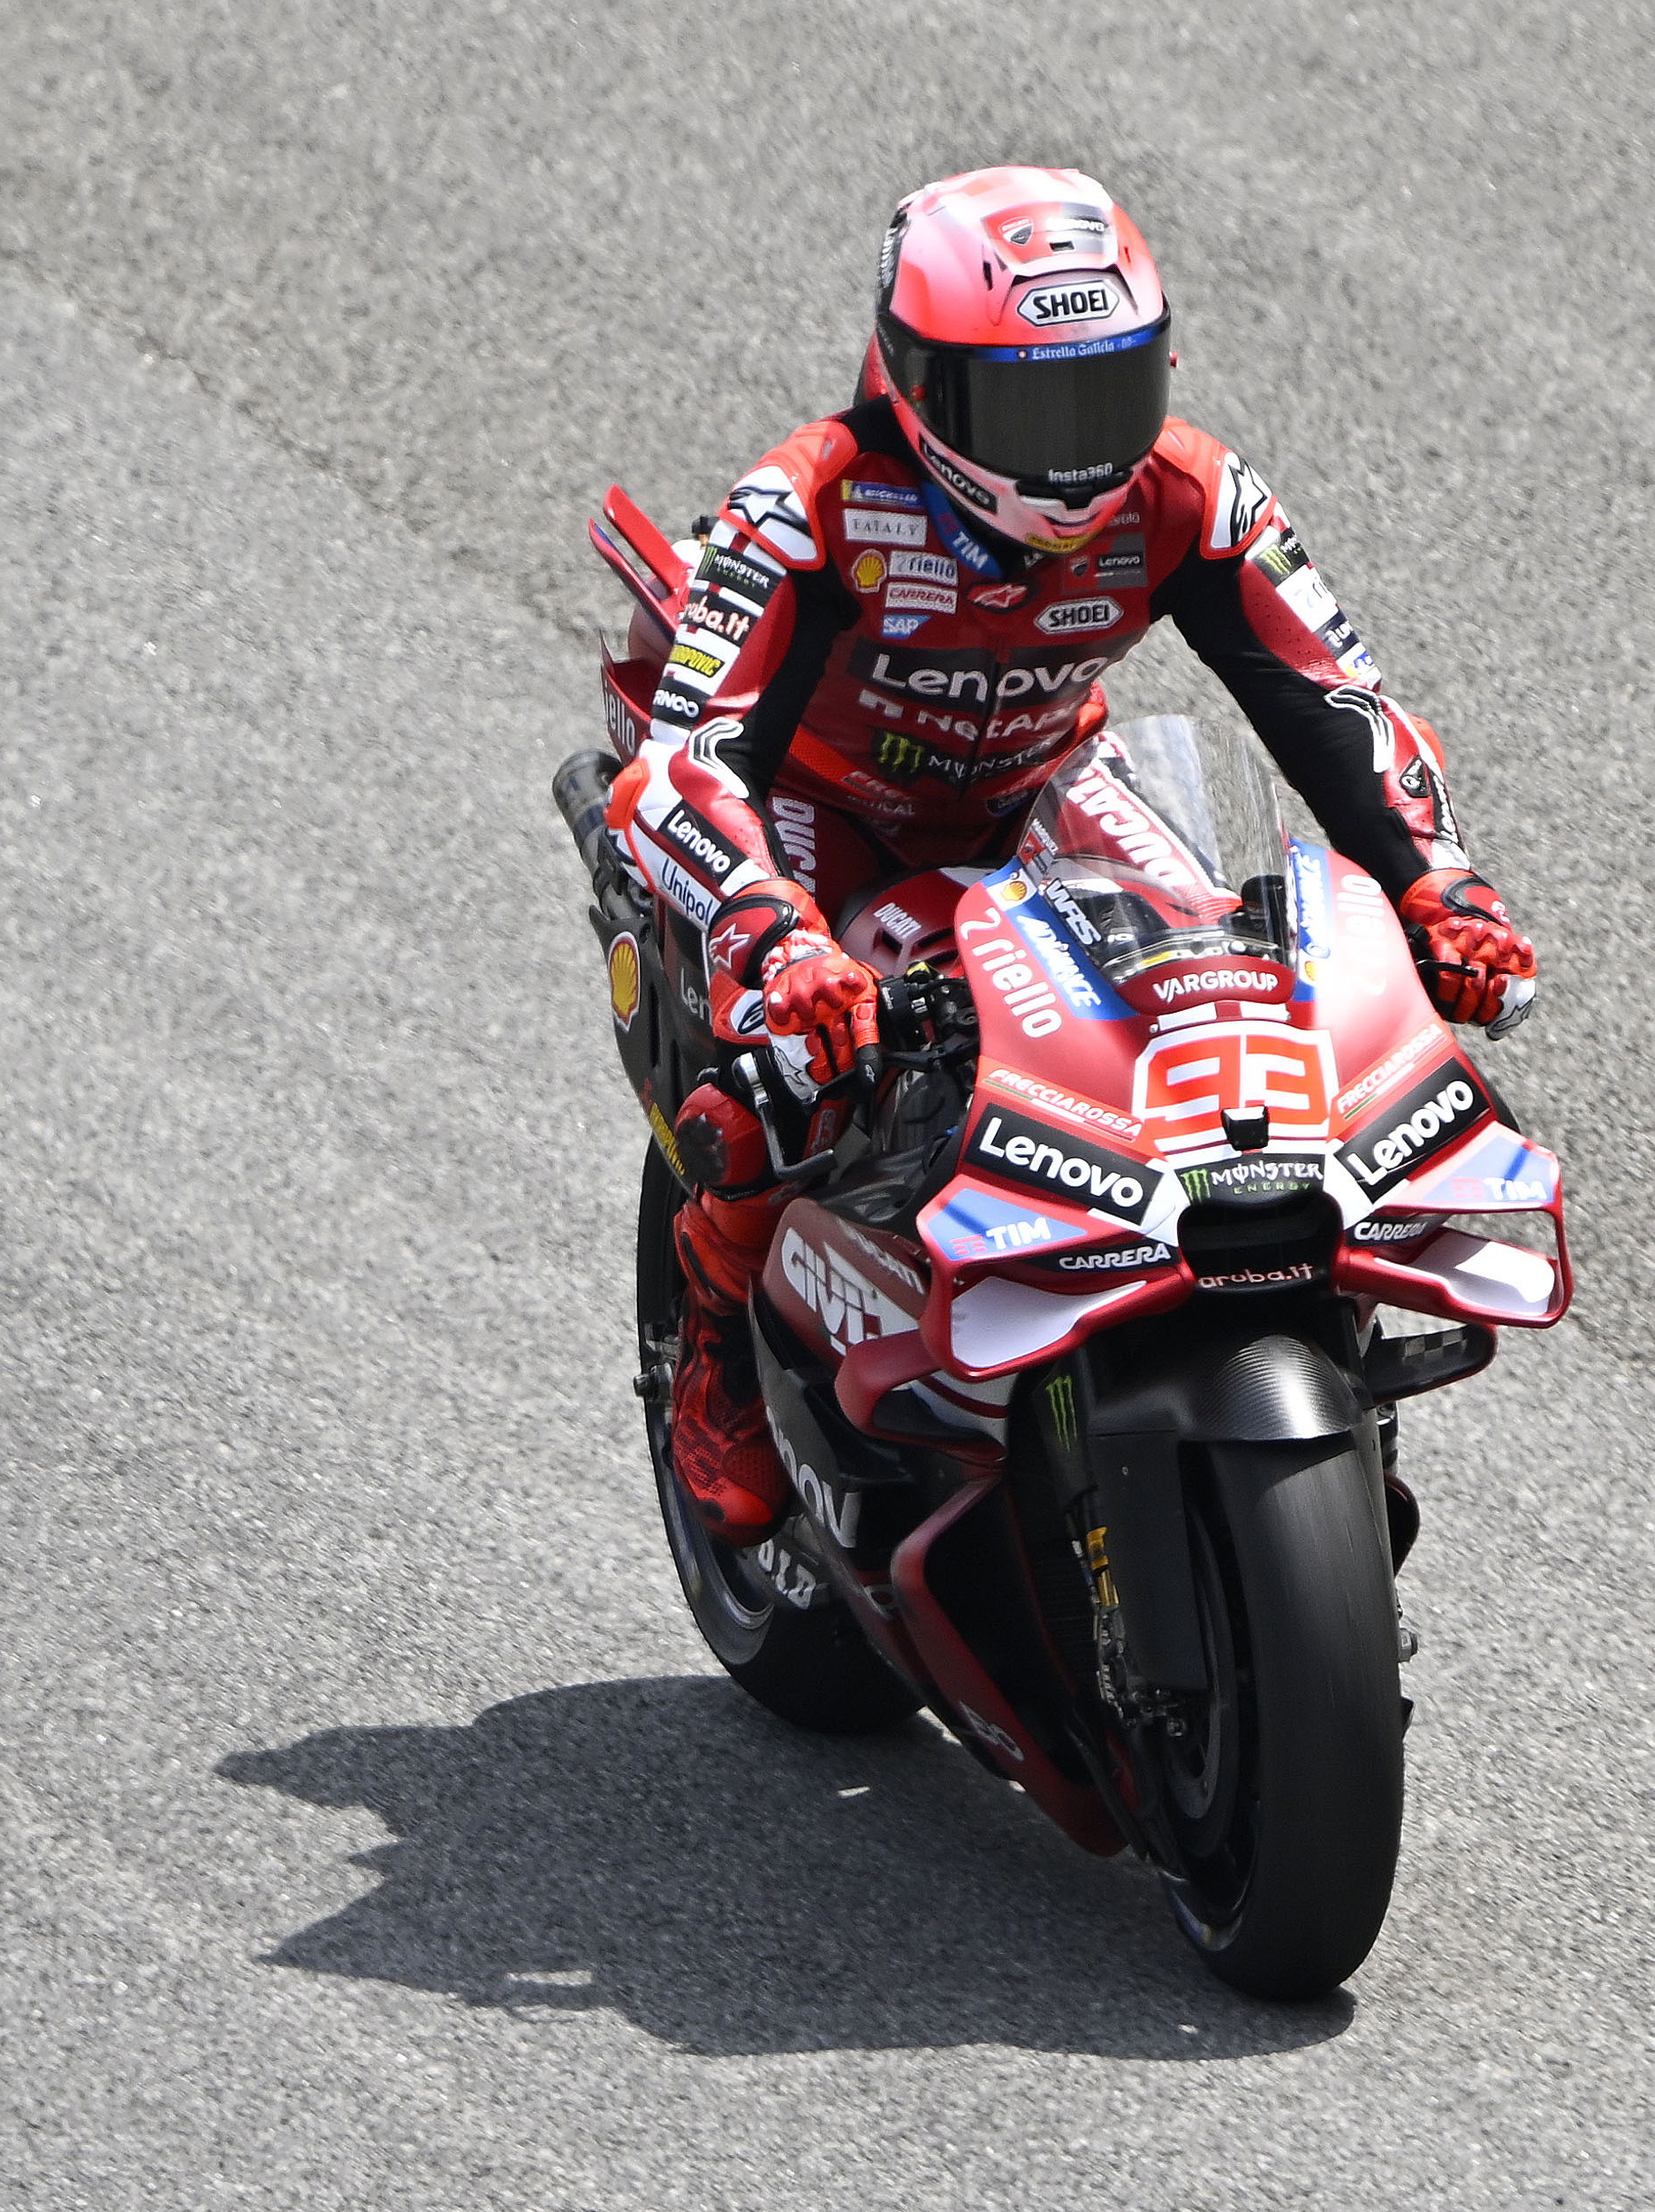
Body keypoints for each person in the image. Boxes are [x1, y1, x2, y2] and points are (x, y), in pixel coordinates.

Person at [604, 167, 1538, 1540]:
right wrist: (767, 928)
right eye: (1031, 409)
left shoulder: (1194, 493)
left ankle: (1316, 1357)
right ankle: (714, 1354)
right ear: (918, 384)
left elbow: (1339, 700)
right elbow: (682, 764)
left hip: (1043, 779)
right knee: (788, 1070)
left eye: (1107, 398)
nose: (1077, 455)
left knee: (1241, 987)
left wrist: (1437, 885)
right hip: (828, 814)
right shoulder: (805, 503)